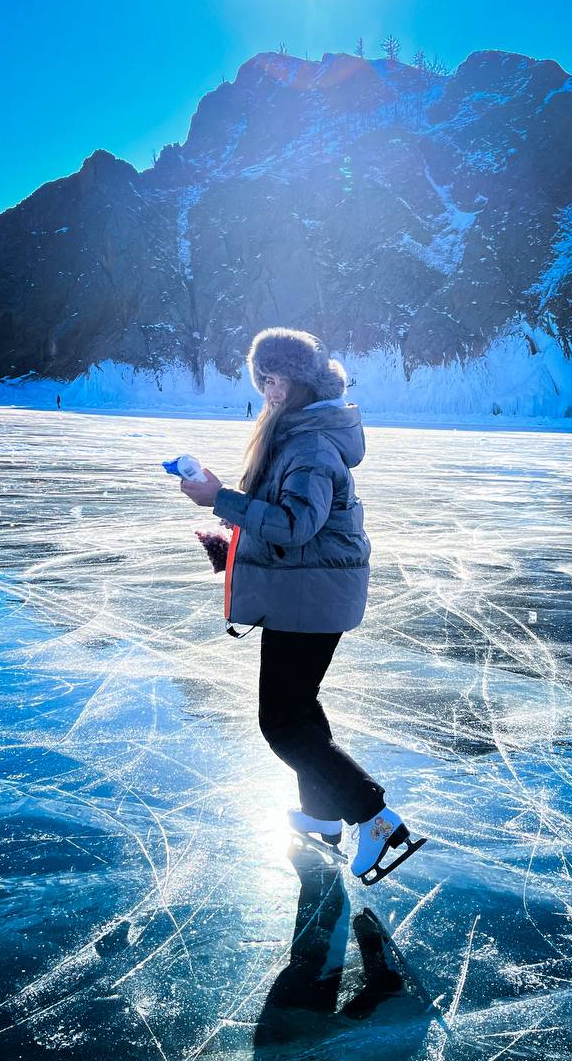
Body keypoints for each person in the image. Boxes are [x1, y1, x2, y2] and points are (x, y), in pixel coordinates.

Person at [178, 327, 426, 885]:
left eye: (274, 378)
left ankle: (375, 818)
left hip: (312, 599)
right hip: (306, 592)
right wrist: (233, 543)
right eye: (262, 378)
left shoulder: (309, 445)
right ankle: (320, 815)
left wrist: (220, 499)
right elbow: (291, 524)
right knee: (299, 708)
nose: (267, 389)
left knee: (282, 722)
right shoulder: (297, 434)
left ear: (296, 382)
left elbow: (296, 525)